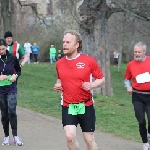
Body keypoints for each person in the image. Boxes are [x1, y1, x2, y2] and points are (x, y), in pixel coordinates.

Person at [54, 30, 105, 150]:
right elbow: (60, 79)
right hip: (68, 105)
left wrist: (92, 85)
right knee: (69, 137)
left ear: (77, 45)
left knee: (89, 140)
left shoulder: (88, 61)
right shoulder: (59, 63)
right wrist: (58, 85)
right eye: (63, 42)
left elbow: (101, 79)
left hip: (86, 104)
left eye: (68, 42)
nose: (64, 44)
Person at [124, 42, 150, 150]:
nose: (137, 54)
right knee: (141, 121)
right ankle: (145, 143)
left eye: (139, 52)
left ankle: (149, 133)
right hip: (137, 96)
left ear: (144, 52)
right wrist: (128, 87)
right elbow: (126, 79)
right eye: (135, 52)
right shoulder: (131, 64)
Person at [0, 39, 23, 146]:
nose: (1, 51)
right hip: (1, 90)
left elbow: (18, 70)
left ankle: (15, 136)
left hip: (11, 88)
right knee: (4, 114)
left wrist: (15, 75)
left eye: (3, 49)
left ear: (6, 47)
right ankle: (6, 137)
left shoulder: (13, 58)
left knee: (12, 111)